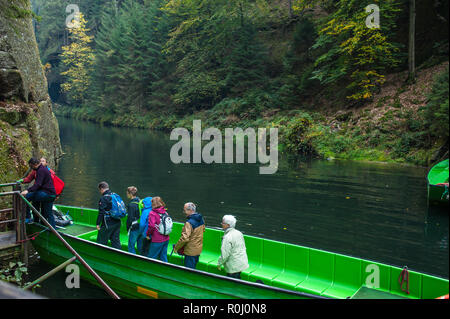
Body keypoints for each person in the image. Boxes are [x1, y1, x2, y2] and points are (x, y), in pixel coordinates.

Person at [20, 158, 57, 229]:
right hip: (52, 194)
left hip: (46, 193)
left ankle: (28, 218)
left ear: (35, 164)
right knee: (49, 214)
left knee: (26, 197)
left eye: (31, 166)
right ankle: (53, 230)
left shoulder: (40, 170)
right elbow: (30, 179)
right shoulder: (42, 169)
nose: (31, 168)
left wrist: (27, 191)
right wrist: (22, 180)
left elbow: (38, 184)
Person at [173, 202, 205, 269]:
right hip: (198, 250)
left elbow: (185, 238)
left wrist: (176, 247)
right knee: (194, 268)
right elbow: (203, 230)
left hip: (190, 251)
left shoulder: (189, 223)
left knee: (189, 270)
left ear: (190, 210)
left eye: (185, 210)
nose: (184, 212)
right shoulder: (201, 219)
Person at [217, 215, 249, 279]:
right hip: (241, 263)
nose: (221, 224)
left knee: (232, 283)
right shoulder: (239, 233)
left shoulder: (227, 237)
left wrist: (219, 264)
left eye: (223, 223)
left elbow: (225, 254)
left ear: (228, 225)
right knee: (237, 278)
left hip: (233, 266)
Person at [96, 182, 121, 250]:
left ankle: (101, 256)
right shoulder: (115, 195)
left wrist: (98, 223)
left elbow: (101, 212)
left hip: (108, 223)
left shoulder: (104, 198)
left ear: (101, 189)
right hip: (117, 222)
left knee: (101, 241)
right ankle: (119, 256)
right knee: (115, 241)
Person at [146, 197, 170, 262]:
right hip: (166, 238)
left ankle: (149, 270)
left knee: (151, 257)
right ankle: (165, 270)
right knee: (163, 257)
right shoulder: (165, 211)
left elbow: (151, 226)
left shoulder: (152, 213)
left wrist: (148, 235)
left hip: (157, 239)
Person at [126, 186, 141, 254]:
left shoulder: (131, 205)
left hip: (134, 228)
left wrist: (128, 228)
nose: (126, 194)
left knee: (131, 246)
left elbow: (130, 219)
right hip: (141, 226)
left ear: (130, 194)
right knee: (140, 246)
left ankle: (132, 260)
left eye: (127, 192)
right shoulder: (140, 202)